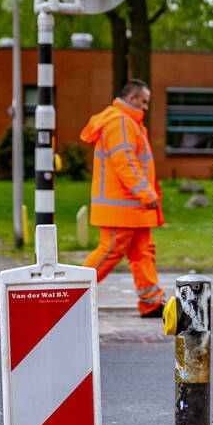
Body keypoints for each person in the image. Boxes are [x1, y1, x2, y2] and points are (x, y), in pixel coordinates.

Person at [80, 79, 165, 318]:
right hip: (124, 206)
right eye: (144, 102)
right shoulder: (120, 123)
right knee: (110, 252)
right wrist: (144, 192)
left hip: (129, 208)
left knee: (142, 251)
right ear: (132, 98)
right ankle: (69, 294)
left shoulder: (126, 122)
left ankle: (152, 303)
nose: (146, 108)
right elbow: (124, 162)